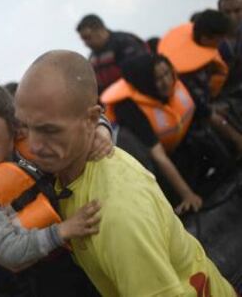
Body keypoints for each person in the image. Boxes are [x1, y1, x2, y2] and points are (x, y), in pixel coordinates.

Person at [15, 49, 236, 296]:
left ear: (91, 120)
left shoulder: (115, 214)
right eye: (24, 127)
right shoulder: (68, 167)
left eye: (49, 130)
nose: (33, 146)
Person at [0, 80, 113, 296]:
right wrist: (64, 230)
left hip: (93, 240)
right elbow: (8, 251)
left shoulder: (31, 131)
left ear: (13, 124)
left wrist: (102, 131)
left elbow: (86, 117)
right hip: (44, 275)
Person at [100, 54, 202, 214]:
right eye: (158, 78)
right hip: (149, 161)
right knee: (147, 160)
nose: (166, 82)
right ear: (145, 81)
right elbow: (158, 155)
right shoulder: (127, 106)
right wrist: (187, 195)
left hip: (174, 146)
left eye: (167, 73)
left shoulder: (177, 85)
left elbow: (209, 115)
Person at [159, 9, 242, 157]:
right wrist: (236, 138)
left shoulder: (209, 54)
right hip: (192, 129)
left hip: (211, 107)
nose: (222, 43)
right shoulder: (182, 72)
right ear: (206, 38)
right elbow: (205, 112)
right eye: (219, 39)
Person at [76, 14, 148, 94]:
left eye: (88, 37)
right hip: (110, 101)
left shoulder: (125, 42)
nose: (86, 44)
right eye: (83, 40)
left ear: (99, 30)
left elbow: (141, 72)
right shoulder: (92, 58)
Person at [218, 0, 242, 95]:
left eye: (237, 11)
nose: (232, 17)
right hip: (224, 95)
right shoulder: (210, 38)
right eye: (227, 12)